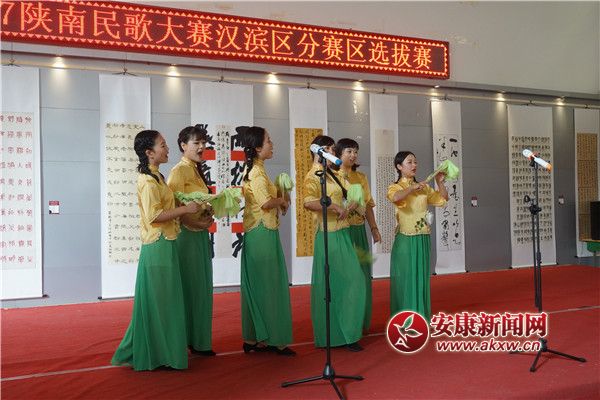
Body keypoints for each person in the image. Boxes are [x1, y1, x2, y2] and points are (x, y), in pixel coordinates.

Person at [112, 130, 199, 371]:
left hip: (165, 243)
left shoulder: (157, 177)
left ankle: (163, 351)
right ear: (149, 153)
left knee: (165, 302)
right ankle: (159, 353)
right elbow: (154, 216)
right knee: (162, 303)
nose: (167, 148)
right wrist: (186, 209)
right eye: (163, 145)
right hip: (157, 246)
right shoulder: (148, 181)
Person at [303, 135, 366, 352]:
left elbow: (353, 194)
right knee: (336, 284)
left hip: (344, 231)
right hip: (328, 234)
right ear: (318, 151)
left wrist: (349, 206)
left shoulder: (334, 174)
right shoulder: (313, 175)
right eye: (329, 148)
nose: (333, 152)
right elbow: (309, 202)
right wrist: (334, 207)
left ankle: (348, 332)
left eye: (333, 148)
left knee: (351, 281)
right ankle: (334, 335)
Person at [237, 126, 295, 356]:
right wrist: (281, 200)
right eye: (268, 141)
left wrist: (281, 195)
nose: (272, 144)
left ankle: (255, 337)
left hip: (262, 231)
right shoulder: (256, 173)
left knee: (262, 285)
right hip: (262, 233)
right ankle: (272, 339)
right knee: (270, 285)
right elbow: (265, 203)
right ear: (258, 147)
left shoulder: (257, 170)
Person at [167, 125, 216, 357]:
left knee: (200, 288)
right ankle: (187, 340)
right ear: (183, 145)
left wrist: (208, 213)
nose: (201, 147)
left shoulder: (196, 169)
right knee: (190, 288)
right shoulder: (179, 171)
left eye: (203, 143)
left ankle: (198, 340)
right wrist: (197, 222)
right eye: (196, 143)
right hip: (186, 236)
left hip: (199, 234)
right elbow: (175, 206)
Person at [386, 151, 448, 320]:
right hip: (405, 239)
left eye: (415, 162)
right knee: (406, 279)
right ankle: (405, 318)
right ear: (399, 166)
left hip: (423, 237)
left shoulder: (424, 187)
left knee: (421, 278)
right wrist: (412, 188)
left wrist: (440, 182)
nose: (414, 165)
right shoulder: (395, 187)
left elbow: (442, 200)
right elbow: (395, 197)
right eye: (410, 162)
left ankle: (420, 317)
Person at [335, 138, 380, 332]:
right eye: (349, 151)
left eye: (355, 151)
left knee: (362, 275)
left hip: (359, 230)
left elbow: (368, 205)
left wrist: (374, 228)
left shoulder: (360, 177)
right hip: (341, 231)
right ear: (338, 153)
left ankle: (360, 321)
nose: (353, 155)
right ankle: (344, 322)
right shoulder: (332, 176)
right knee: (345, 276)